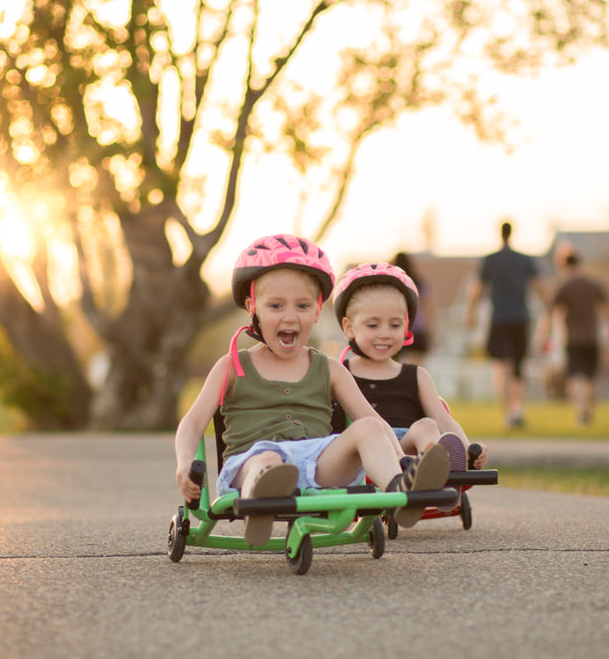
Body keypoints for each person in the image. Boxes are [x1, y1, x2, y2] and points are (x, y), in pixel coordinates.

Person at [174, 233, 451, 545]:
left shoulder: (329, 368)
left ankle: (401, 491)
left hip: (318, 463)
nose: (290, 316)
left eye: (303, 305)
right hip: (252, 461)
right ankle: (259, 508)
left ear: (317, 311)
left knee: (370, 425)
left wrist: (403, 461)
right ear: (253, 308)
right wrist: (185, 463)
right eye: (276, 305)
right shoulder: (232, 366)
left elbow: (375, 425)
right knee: (267, 460)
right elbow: (193, 422)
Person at [330, 263, 488, 485]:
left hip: (409, 452)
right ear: (349, 328)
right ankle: (428, 476)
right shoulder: (339, 372)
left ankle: (437, 473)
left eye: (395, 325)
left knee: (428, 427)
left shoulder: (417, 376)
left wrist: (469, 450)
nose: (385, 334)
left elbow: (445, 421)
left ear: (406, 328)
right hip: (361, 454)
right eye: (373, 325)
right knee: (370, 433)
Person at [465, 221, 548, 429]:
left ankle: (507, 415)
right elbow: (539, 286)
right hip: (521, 318)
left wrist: (471, 313)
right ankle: (517, 410)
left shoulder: (491, 260)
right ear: (513, 233)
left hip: (499, 319)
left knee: (502, 368)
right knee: (518, 368)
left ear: (499, 234)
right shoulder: (524, 260)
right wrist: (549, 308)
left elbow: (478, 288)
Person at [539, 249, 609, 427]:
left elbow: (549, 312)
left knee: (576, 377)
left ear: (564, 265)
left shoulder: (564, 285)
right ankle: (588, 411)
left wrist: (544, 335)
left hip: (573, 339)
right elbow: (608, 306)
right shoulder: (593, 283)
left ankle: (582, 412)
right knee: (589, 376)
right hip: (592, 337)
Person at [392, 251, 433, 365]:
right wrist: (430, 330)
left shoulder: (393, 285)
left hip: (398, 328)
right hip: (419, 328)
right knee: (418, 368)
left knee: (393, 367)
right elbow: (427, 309)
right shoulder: (419, 283)